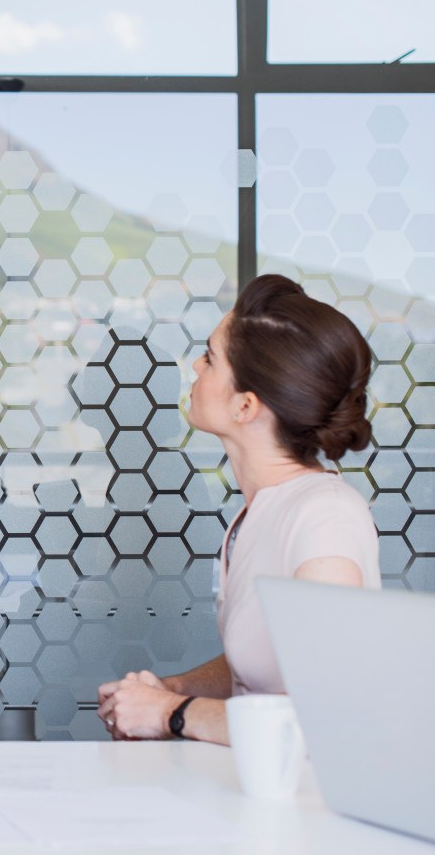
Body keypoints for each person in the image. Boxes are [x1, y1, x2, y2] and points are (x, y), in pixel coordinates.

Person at [98, 274, 379, 745]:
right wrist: (173, 689)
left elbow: (326, 713)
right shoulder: (257, 513)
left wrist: (172, 713)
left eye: (210, 358)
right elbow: (266, 665)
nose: (194, 366)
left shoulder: (325, 519)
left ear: (245, 405)